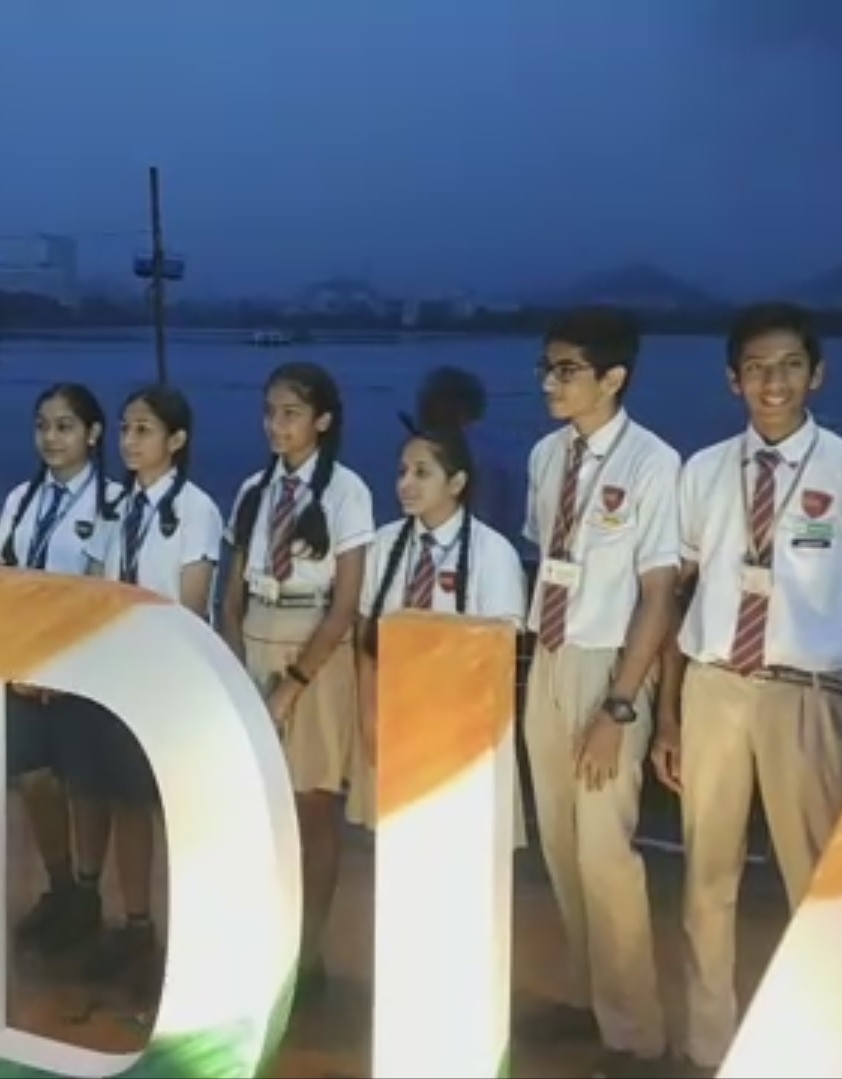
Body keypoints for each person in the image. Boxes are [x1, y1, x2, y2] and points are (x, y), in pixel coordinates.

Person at [653, 301, 842, 1074]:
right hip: (713, 686)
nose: (773, 382)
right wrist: (666, 714)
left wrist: (820, 643)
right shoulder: (701, 470)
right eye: (757, 368)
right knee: (705, 876)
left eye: (789, 365)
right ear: (733, 380)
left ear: (815, 373)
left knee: (817, 878)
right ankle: (708, 1045)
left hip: (805, 695)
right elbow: (675, 595)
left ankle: (826, 1042)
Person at [517, 308, 678, 1077]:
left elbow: (657, 595)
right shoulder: (546, 456)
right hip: (546, 657)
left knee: (605, 849)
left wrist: (620, 705)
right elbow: (543, 553)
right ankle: (588, 998)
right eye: (547, 367)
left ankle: (636, 1033)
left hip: (607, 666)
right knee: (558, 840)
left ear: (613, 377)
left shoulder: (653, 463)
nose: (551, 382)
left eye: (568, 369)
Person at [218, 361, 375, 997]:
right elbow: (231, 591)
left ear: (322, 421)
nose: (276, 425)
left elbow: (346, 603)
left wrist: (297, 680)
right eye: (270, 412)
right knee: (260, 802)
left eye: (290, 413)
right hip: (257, 634)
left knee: (312, 804)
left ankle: (308, 952)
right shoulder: (254, 488)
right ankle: (267, 936)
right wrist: (233, 658)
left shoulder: (345, 493)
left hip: (313, 647)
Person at [80, 383, 223, 988]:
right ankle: (137, 925)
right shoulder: (114, 505)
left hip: (172, 680)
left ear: (177, 440)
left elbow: (192, 604)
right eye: (124, 429)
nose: (129, 441)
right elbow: (92, 587)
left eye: (143, 430)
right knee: (124, 804)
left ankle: (198, 938)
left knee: (179, 814)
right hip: (117, 680)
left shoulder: (197, 510)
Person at [0, 382, 122, 954]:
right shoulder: (21, 499)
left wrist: (61, 667)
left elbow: (103, 597)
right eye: (42, 425)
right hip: (22, 668)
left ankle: (89, 895)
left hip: (83, 672)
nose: (50, 437)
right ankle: (60, 885)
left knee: (88, 786)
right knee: (34, 779)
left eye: (64, 426)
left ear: (92, 435)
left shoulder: (115, 504)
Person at [351, 415, 527, 821]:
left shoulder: (492, 552)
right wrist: (369, 716)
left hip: (463, 724)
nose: (406, 483)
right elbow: (366, 640)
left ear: (456, 483)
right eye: (402, 472)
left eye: (422, 473)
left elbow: (500, 654)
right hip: (396, 712)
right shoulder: (383, 544)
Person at [415, 364, 526, 547]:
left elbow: (486, 515)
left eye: (431, 401)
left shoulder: (477, 455)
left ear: (456, 406)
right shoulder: (488, 448)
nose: (423, 409)